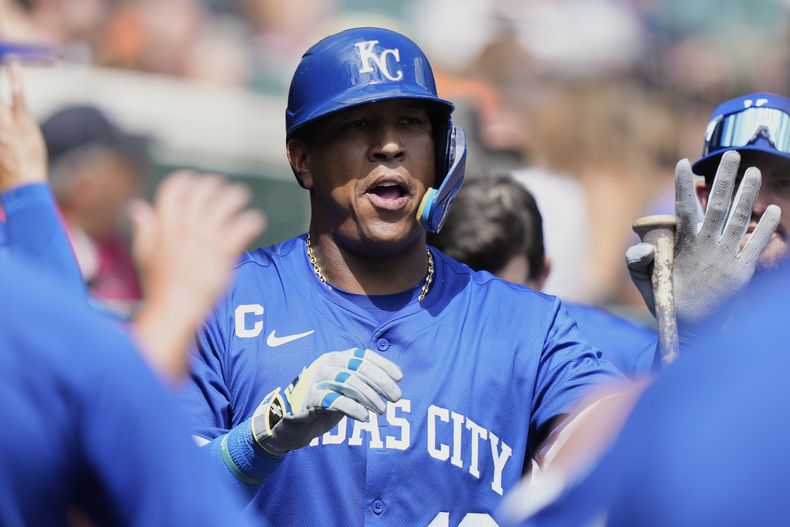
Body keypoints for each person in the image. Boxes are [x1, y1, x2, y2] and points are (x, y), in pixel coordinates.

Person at [179, 26, 625, 526]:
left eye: (410, 123)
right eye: (358, 123)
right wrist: (261, 437)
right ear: (302, 160)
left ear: (441, 151)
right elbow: (150, 498)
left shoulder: (527, 325)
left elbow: (634, 469)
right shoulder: (222, 300)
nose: (389, 145)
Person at [429, 174, 658, 378]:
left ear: (543, 273)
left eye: (505, 301)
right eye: (464, 300)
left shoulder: (633, 355)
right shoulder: (406, 348)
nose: (484, 320)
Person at [41, 103, 151, 315]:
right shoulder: (19, 245)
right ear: (85, 182)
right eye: (124, 167)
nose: (137, 180)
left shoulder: (125, 251)